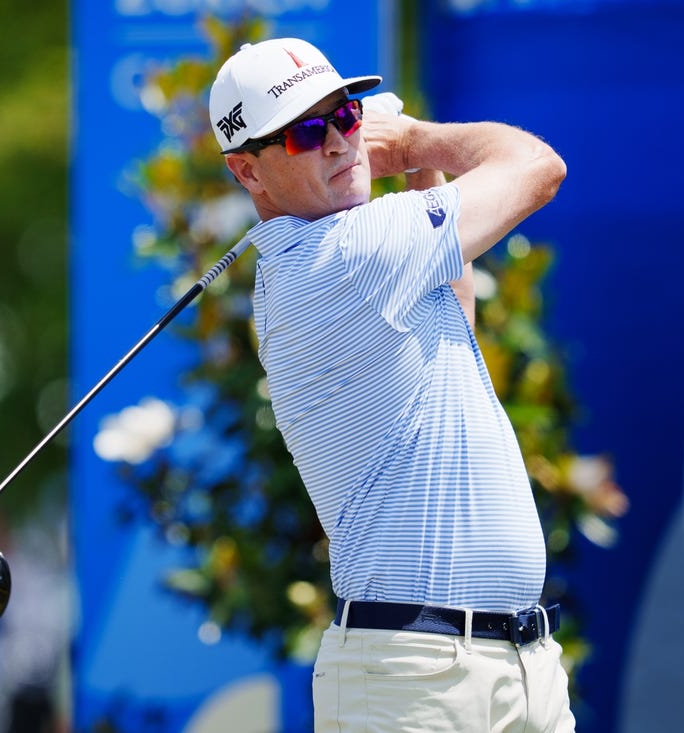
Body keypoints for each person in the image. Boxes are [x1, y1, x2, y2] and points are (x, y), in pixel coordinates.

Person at [209, 38, 572, 732]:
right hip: (417, 680)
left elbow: (454, 307)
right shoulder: (341, 256)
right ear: (246, 170)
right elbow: (537, 167)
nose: (341, 142)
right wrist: (412, 142)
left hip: (515, 667)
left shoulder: (370, 257)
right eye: (308, 132)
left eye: (345, 115)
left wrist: (417, 170)